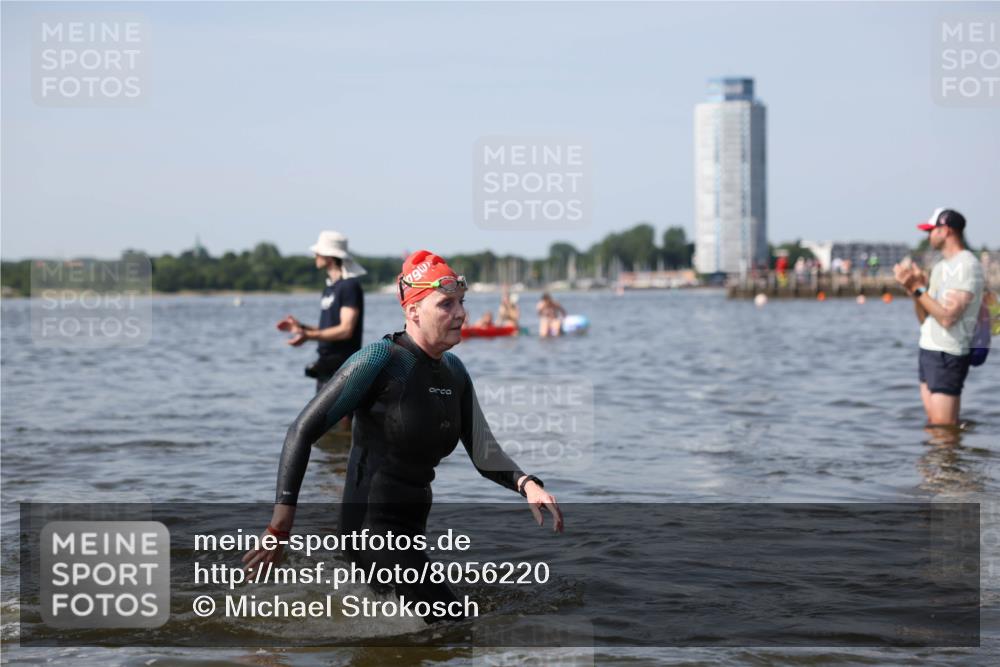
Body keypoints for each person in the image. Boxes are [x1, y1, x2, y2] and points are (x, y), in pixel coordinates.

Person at [245, 250, 563, 622]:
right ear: (413, 311)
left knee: (434, 636)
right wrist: (278, 528)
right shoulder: (380, 360)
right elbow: (302, 431)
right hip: (370, 532)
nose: (460, 314)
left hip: (409, 534)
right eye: (446, 304)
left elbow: (483, 450)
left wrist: (528, 485)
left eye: (462, 302)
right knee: (456, 626)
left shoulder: (454, 372)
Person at [893, 208, 984, 426]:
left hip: (948, 353)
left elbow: (947, 317)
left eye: (931, 230)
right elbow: (925, 318)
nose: (928, 236)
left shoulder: (966, 265)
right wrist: (916, 292)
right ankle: (942, 461)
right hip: (929, 349)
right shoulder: (941, 267)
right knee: (934, 425)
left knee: (943, 428)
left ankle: (952, 460)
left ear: (945, 231)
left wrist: (916, 288)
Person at [277, 231, 366, 392]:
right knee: (324, 417)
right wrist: (302, 328)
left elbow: (345, 330)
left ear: (329, 257)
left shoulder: (349, 286)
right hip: (326, 365)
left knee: (337, 417)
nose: (315, 256)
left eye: (317, 253)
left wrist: (308, 336)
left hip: (343, 367)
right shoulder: (330, 288)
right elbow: (329, 329)